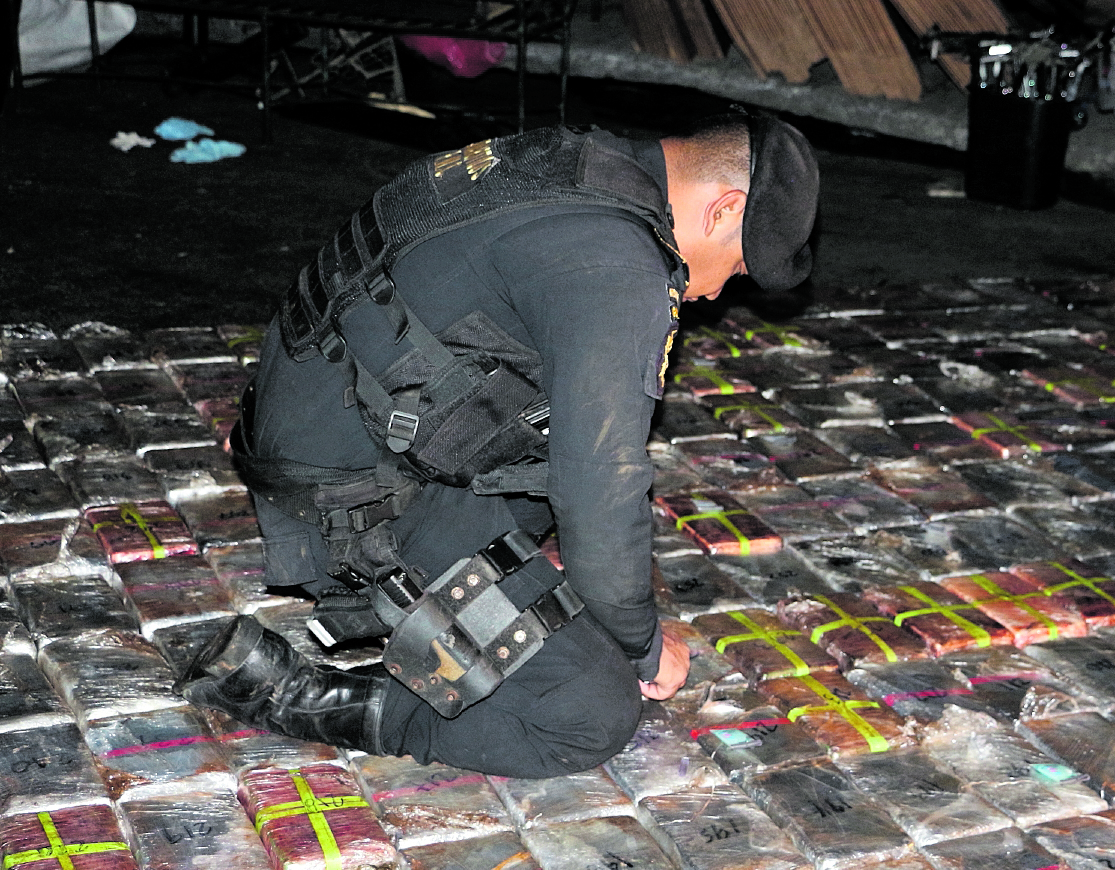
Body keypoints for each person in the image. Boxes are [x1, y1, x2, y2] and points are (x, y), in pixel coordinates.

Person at [175, 110, 819, 779]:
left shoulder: (573, 160)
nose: (714, 291)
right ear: (723, 209)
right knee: (585, 711)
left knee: (575, 466)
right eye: (735, 267)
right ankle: (302, 692)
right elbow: (600, 491)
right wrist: (642, 647)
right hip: (351, 499)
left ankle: (458, 592)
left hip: (319, 418)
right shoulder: (617, 265)